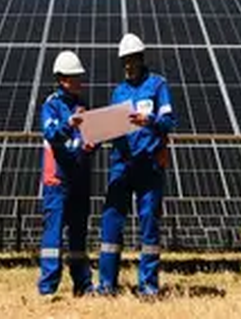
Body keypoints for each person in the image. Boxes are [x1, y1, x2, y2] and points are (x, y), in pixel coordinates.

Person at [97, 33, 177, 297]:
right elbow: (111, 127)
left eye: (132, 60)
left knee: (149, 224)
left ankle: (149, 287)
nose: (128, 66)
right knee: (111, 221)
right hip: (121, 165)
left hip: (148, 166)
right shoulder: (118, 92)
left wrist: (150, 120)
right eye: (124, 62)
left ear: (141, 59)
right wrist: (95, 132)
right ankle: (107, 284)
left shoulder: (157, 86)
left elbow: (168, 121)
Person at [38, 50, 96, 297]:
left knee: (78, 235)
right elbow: (51, 134)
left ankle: (82, 284)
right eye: (75, 77)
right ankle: (48, 287)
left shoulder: (83, 106)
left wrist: (93, 143)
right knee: (54, 234)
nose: (79, 81)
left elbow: (90, 136)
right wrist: (69, 124)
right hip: (58, 180)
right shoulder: (51, 106)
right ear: (62, 79)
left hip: (80, 178)